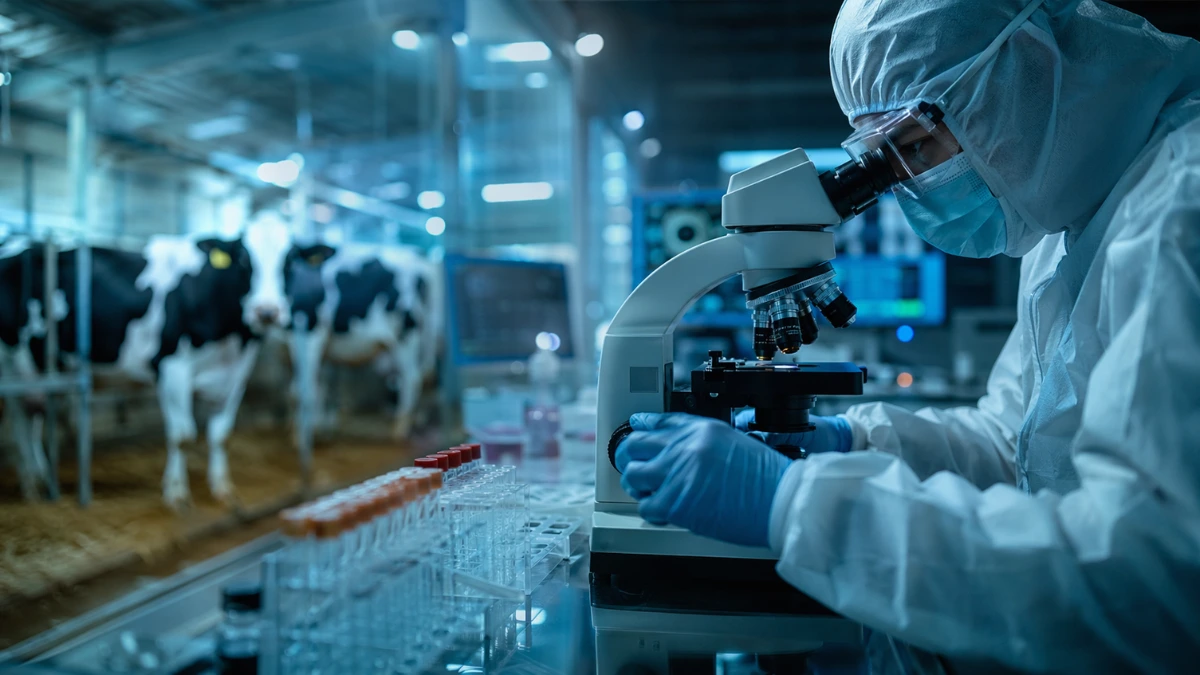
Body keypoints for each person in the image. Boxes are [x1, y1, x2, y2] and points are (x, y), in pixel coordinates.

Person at [614, 0, 1200, 671]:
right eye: (886, 164)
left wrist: (793, 502)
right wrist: (851, 442)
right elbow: (1018, 450)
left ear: (1028, 65)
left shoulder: (1181, 210)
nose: (914, 186)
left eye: (915, 145)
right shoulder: (1068, 226)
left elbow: (1149, 581)